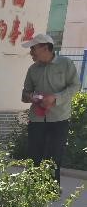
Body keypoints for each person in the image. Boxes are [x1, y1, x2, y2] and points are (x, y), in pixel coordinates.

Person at [21, 34, 79, 184]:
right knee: (34, 156)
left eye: (33, 48)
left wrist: (55, 98)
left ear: (45, 48)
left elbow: (75, 86)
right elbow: (25, 93)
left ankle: (51, 190)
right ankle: (33, 190)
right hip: (37, 120)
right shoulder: (33, 69)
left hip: (59, 119)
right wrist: (31, 97)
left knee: (54, 158)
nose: (31, 52)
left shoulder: (65, 64)